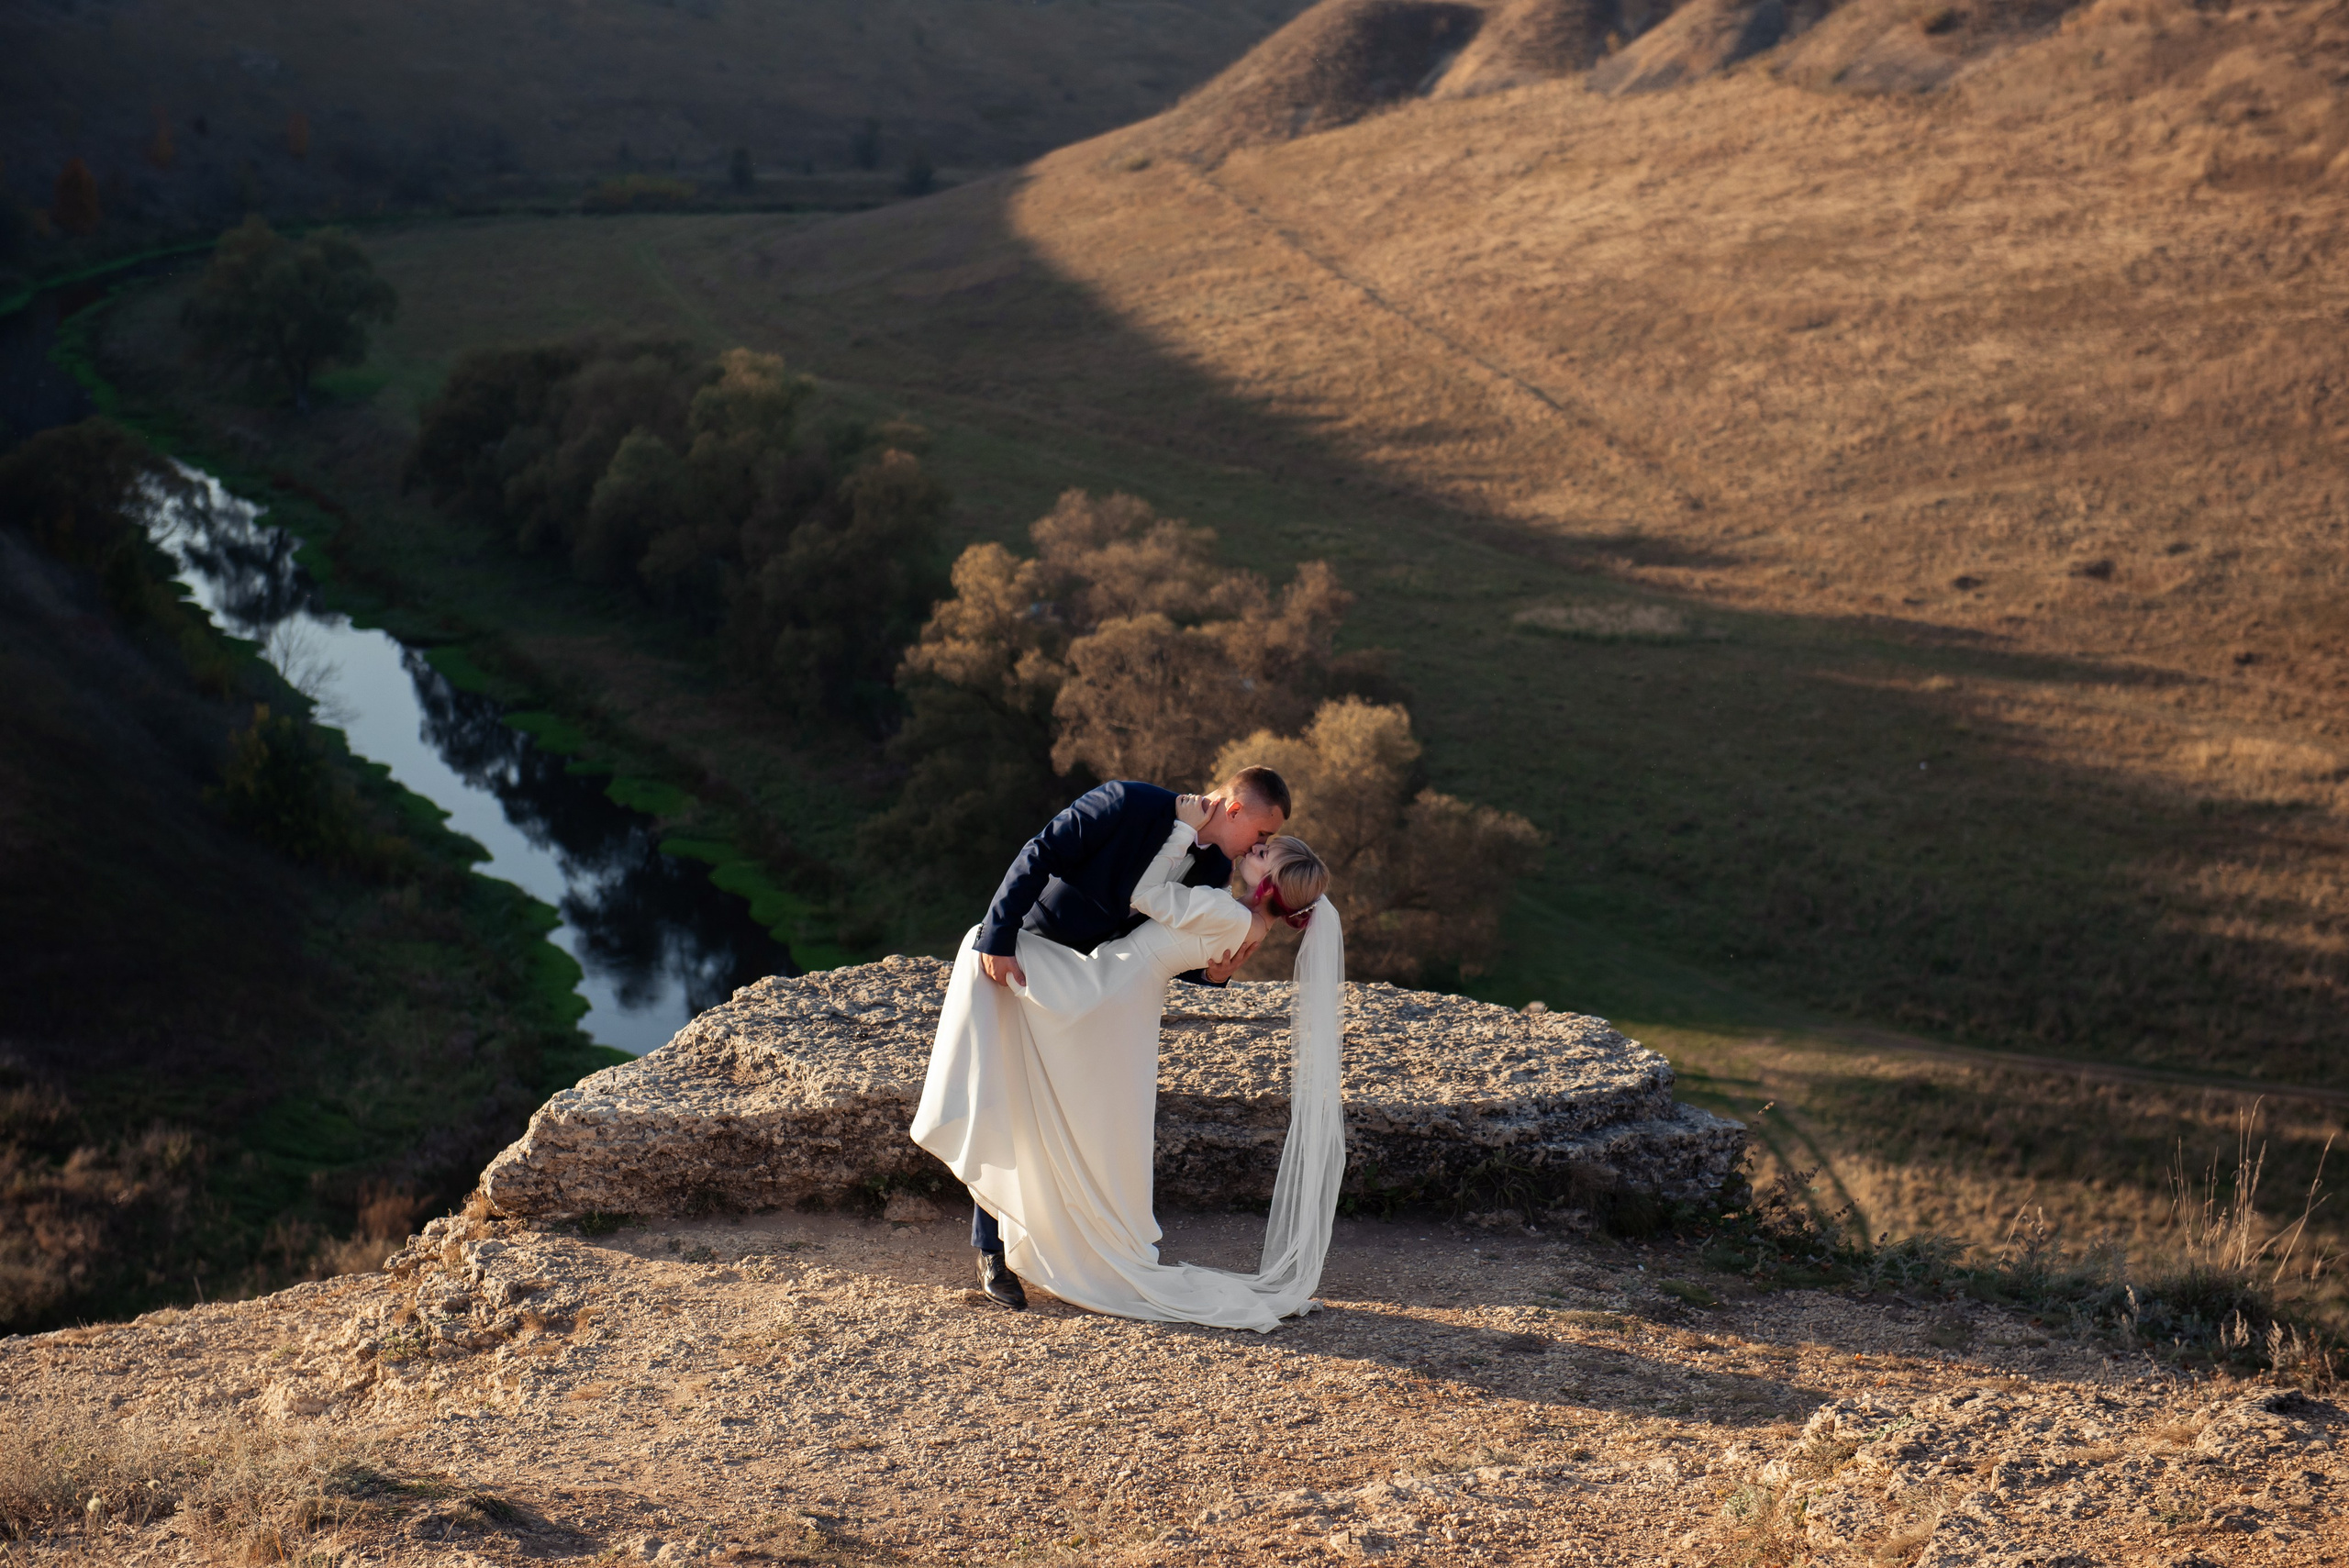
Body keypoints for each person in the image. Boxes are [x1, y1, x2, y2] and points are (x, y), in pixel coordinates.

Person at [910, 795, 1345, 1329]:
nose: (1255, 848)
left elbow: (1147, 898)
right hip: (1109, 985)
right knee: (1030, 1077)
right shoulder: (1136, 811)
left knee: (980, 963)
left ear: (1268, 887)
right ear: (1235, 807)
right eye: (1261, 837)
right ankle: (1004, 1244)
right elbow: (1053, 859)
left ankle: (1048, 1240)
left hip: (1105, 990)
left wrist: (1181, 834)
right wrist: (1210, 971)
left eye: (1264, 852)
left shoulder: (1221, 894)